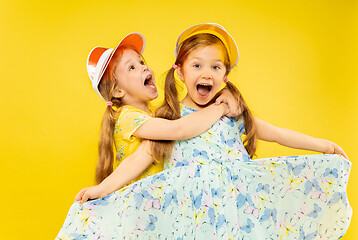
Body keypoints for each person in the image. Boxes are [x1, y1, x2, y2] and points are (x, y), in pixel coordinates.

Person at [57, 24, 351, 240]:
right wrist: (101, 188)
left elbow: (275, 133)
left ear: (225, 75)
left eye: (215, 66)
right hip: (189, 211)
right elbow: (140, 158)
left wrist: (323, 145)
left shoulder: (233, 111)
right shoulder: (169, 117)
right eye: (197, 65)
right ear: (181, 72)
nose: (206, 72)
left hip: (237, 206)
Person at [84, 32, 240, 191]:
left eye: (141, 61)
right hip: (143, 201)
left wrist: (224, 94)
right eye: (132, 67)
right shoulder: (127, 117)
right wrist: (221, 107)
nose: (143, 66)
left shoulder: (154, 116)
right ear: (117, 91)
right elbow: (180, 129)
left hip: (160, 201)